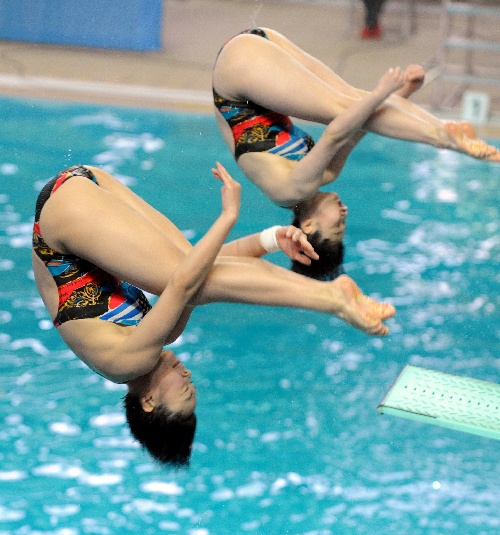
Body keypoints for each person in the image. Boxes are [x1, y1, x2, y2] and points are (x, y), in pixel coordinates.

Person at [32, 164, 396, 466]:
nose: (188, 376)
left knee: (183, 278)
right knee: (191, 269)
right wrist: (268, 240)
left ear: (149, 402)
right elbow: (201, 269)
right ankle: (331, 296)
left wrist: (229, 216)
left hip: (61, 216)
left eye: (185, 390)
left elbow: (183, 284)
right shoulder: (158, 337)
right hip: (82, 186)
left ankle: (332, 297)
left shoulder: (125, 363)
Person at [213, 28, 500, 278]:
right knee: (351, 100)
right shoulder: (327, 174)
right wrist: (404, 93)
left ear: (309, 225)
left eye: (337, 226)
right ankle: (445, 131)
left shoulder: (291, 190)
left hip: (237, 74)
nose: (344, 213)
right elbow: (359, 127)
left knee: (345, 107)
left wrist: (379, 94)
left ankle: (446, 137)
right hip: (257, 49)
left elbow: (339, 130)